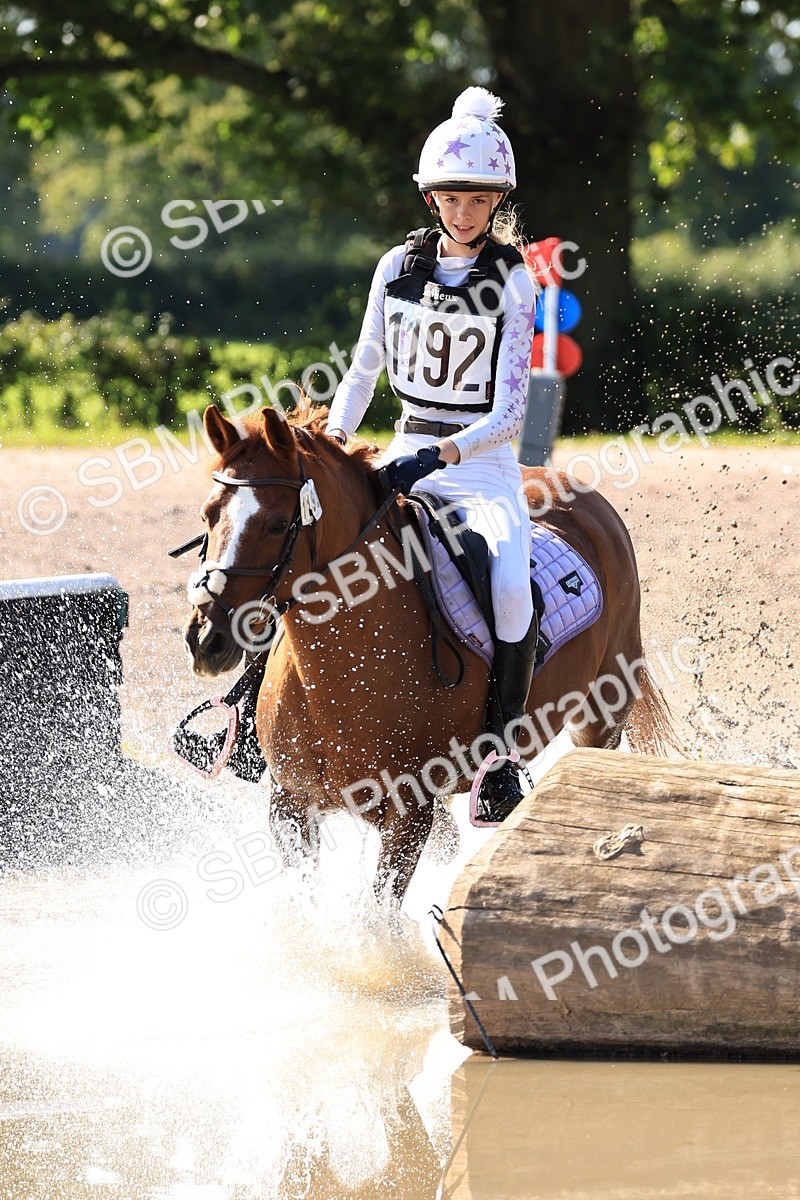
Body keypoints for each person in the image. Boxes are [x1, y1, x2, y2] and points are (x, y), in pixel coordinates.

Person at [326, 86, 539, 823]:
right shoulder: (396, 267)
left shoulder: (514, 279)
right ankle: (242, 705)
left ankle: (502, 754)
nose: (464, 212)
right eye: (451, 197)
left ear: (496, 201)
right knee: (309, 538)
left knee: (512, 583)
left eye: (478, 200)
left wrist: (442, 453)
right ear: (431, 199)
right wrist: (331, 445)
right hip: (406, 444)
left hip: (477, 466)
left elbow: (511, 414)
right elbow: (362, 373)